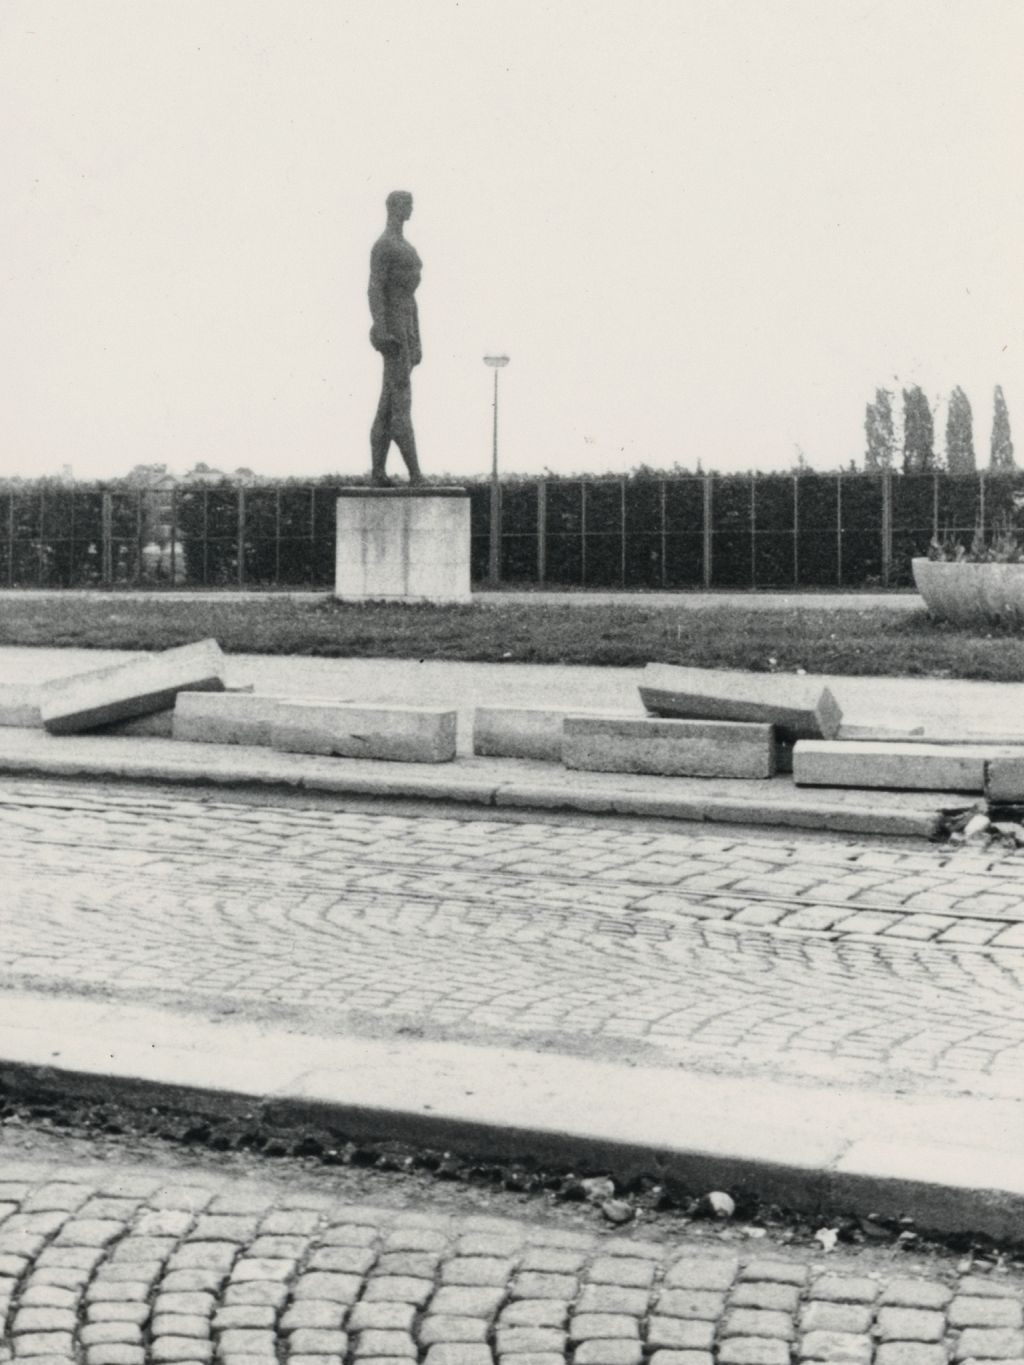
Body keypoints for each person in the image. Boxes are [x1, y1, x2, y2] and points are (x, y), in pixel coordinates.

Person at [367, 190, 424, 485]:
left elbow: (410, 299)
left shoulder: (404, 246)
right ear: (395, 207)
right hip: (394, 329)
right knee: (399, 400)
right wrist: (382, 329)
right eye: (408, 204)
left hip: (405, 323)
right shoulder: (385, 245)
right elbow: (375, 288)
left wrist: (417, 337)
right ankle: (415, 474)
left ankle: (378, 472)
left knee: (389, 402)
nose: (412, 208)